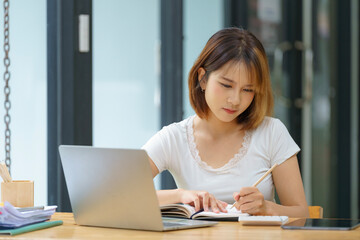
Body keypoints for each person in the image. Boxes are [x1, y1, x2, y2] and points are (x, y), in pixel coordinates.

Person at [142, 27, 309, 217]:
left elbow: (301, 215)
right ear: (202, 78)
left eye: (248, 90)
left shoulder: (272, 132)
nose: (235, 100)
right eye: (226, 85)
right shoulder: (173, 138)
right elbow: (119, 194)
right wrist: (180, 195)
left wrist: (266, 208)